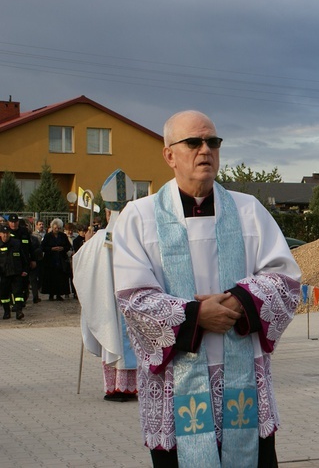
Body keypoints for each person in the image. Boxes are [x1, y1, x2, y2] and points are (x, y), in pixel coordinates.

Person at [113, 110, 301, 467]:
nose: (206, 150)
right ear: (169, 155)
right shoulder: (138, 217)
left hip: (241, 377)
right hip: (178, 377)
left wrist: (240, 302)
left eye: (213, 142)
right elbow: (134, 298)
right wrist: (197, 316)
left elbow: (286, 279)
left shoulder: (249, 210)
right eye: (194, 142)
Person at [75, 169, 138, 402]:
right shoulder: (137, 234)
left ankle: (115, 388)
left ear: (109, 209)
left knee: (115, 337)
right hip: (133, 300)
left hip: (110, 301)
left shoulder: (100, 238)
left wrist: (86, 246)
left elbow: (80, 265)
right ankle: (133, 387)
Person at [0, 224, 29, 320]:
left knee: (18, 293)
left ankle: (19, 311)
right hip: (4, 274)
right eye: (3, 233)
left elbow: (24, 258)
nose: (5, 235)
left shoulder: (16, 243)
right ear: (0, 234)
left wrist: (25, 270)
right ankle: (7, 311)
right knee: (4, 295)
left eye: (7, 233)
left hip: (17, 272)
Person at [40, 218, 71, 300]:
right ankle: (51, 294)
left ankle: (59, 294)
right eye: (55, 228)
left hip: (60, 260)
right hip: (50, 260)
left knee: (60, 278)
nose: (56, 230)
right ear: (52, 228)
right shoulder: (47, 236)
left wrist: (63, 248)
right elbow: (42, 247)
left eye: (58, 228)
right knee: (51, 277)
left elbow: (68, 246)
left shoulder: (63, 236)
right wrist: (51, 249)